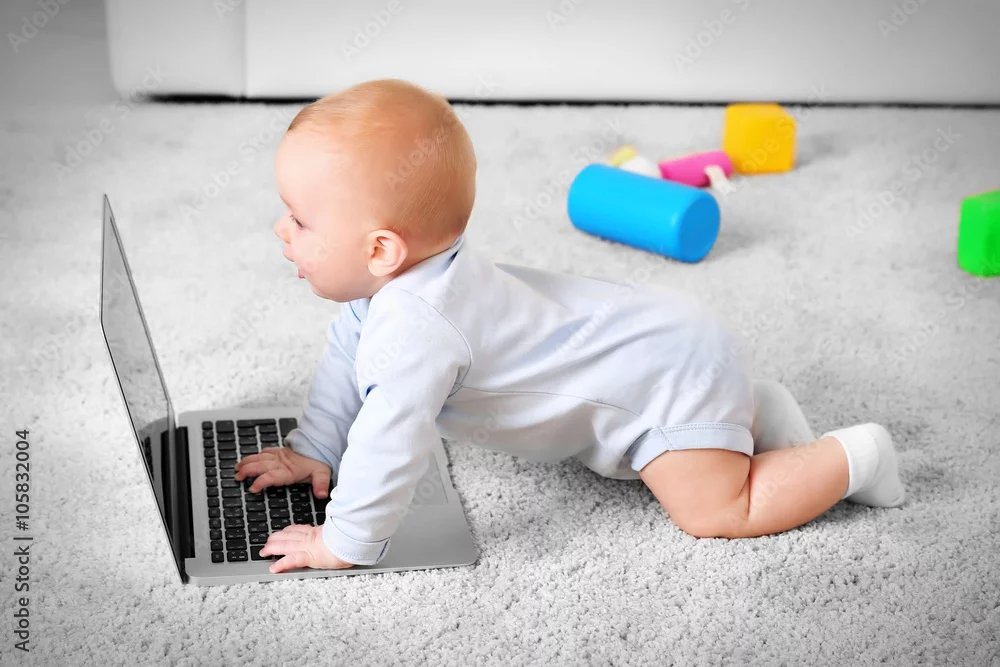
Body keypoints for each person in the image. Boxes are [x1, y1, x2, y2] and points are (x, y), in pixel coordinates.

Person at [234, 79, 905, 574]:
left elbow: (390, 440)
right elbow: (346, 355)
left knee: (718, 510)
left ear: (381, 250)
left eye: (299, 219)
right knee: (704, 439)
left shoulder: (416, 328)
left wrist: (343, 541)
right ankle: (756, 409)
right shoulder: (400, 287)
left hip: (667, 378)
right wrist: (317, 446)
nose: (280, 228)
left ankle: (854, 456)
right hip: (667, 339)